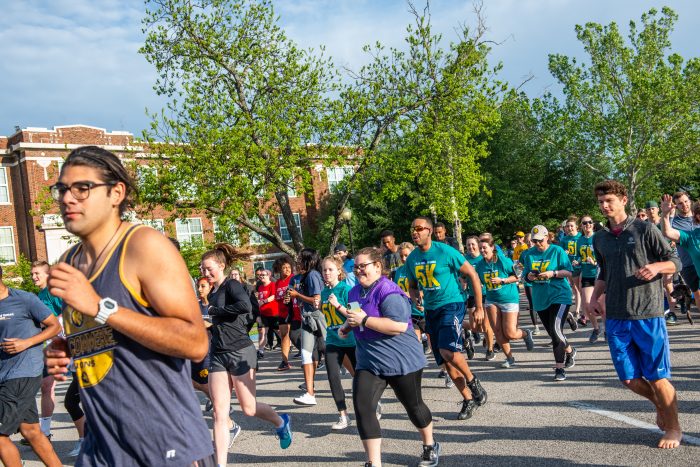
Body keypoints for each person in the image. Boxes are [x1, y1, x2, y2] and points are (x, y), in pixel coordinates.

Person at [44, 145, 214, 465]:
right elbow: (112, 336)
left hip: (165, 446)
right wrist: (69, 346)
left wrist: (99, 306)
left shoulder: (144, 246)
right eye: (62, 189)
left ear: (116, 193)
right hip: (102, 447)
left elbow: (194, 341)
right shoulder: (69, 262)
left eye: (82, 188)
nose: (67, 198)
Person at [591, 180, 682, 449]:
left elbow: (674, 261)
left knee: (656, 375)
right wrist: (594, 298)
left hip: (648, 313)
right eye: (600, 202)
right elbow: (604, 272)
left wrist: (656, 267)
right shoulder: (600, 238)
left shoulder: (645, 229)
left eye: (609, 201)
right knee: (629, 378)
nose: (604, 206)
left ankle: (674, 427)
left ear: (624, 200)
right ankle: (660, 405)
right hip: (617, 315)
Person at [342, 247, 439, 467]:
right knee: (363, 406)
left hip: (401, 360)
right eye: (355, 266)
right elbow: (355, 315)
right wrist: (346, 327)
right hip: (369, 361)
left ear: (377, 266)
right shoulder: (354, 292)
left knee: (414, 407)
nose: (358, 270)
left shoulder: (389, 292)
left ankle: (429, 444)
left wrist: (364, 321)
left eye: (362, 266)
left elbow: (397, 325)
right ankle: (374, 463)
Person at [201, 244, 292, 464]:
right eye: (202, 269)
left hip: (240, 351)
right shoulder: (211, 293)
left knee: (248, 409)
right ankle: (220, 463)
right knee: (219, 414)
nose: (205, 273)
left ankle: (281, 422)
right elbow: (220, 321)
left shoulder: (232, 285)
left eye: (208, 268)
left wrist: (216, 312)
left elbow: (245, 307)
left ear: (221, 266)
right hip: (218, 355)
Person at [405, 217, 487, 420]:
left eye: (419, 228)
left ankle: (473, 381)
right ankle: (468, 399)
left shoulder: (445, 251)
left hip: (452, 303)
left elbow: (473, 275)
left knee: (447, 350)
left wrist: (478, 307)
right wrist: (416, 299)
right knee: (446, 363)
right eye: (412, 229)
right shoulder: (412, 258)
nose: (415, 232)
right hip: (431, 310)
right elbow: (413, 284)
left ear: (429, 231)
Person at [0, 266, 62, 467]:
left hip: (23, 372)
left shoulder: (24, 299)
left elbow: (55, 326)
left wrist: (26, 342)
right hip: (4, 374)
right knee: (31, 431)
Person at [522, 225, 577, 381]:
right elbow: (525, 276)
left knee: (555, 329)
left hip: (559, 295)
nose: (537, 244)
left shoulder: (557, 251)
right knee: (554, 335)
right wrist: (530, 277)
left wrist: (553, 273)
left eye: (540, 240)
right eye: (534, 241)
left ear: (547, 237)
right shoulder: (529, 255)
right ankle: (570, 351)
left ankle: (559, 369)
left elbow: (569, 272)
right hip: (540, 298)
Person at [474, 234, 534, 369]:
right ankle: (510, 358)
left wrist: (503, 280)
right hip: (491, 300)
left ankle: (525, 333)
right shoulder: (480, 265)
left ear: (492, 247)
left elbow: (517, 276)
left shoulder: (502, 260)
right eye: (480, 248)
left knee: (510, 333)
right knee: (497, 331)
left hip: (509, 299)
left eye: (484, 248)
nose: (482, 250)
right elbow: (479, 281)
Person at [320, 256, 356, 430]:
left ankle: (373, 402)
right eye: (324, 270)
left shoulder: (347, 289)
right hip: (333, 341)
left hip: (352, 340)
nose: (327, 273)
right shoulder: (323, 293)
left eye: (330, 270)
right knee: (333, 377)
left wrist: (337, 305)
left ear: (339, 272)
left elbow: (356, 314)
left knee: (361, 377)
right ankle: (343, 415)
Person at [29, 261, 63, 442]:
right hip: (48, 344)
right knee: (46, 387)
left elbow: (67, 312)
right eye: (32, 274)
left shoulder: (54, 291)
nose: (34, 277)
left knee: (48, 387)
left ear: (47, 274)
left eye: (37, 274)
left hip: (61, 344)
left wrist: (49, 322)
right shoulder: (40, 294)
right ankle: (45, 431)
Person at [288, 248, 326, 406]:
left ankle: (356, 376)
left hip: (318, 318)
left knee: (335, 351)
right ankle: (310, 393)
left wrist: (297, 295)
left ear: (308, 261)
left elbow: (317, 301)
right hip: (307, 319)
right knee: (305, 353)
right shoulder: (303, 276)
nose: (297, 262)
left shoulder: (313, 275)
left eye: (299, 259)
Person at [661, 195, 700, 321]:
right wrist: (665, 214)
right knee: (698, 295)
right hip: (688, 264)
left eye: (686, 201)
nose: (684, 205)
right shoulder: (686, 233)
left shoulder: (695, 218)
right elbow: (667, 233)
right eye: (680, 203)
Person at [463, 236, 495, 360]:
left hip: (486, 294)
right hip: (471, 295)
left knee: (486, 325)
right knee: (475, 327)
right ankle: (470, 339)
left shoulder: (484, 257)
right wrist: (463, 281)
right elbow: (462, 276)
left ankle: (490, 349)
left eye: (473, 244)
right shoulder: (464, 260)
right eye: (468, 245)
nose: (471, 247)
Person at [576, 216, 603, 343]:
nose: (587, 225)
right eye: (584, 223)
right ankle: (596, 329)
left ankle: (608, 330)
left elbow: (605, 256)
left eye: (589, 222)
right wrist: (577, 261)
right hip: (586, 274)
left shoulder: (598, 237)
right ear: (581, 226)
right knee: (587, 304)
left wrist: (595, 262)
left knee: (602, 305)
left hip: (599, 275)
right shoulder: (579, 240)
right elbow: (579, 256)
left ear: (593, 224)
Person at [273, 257, 294, 371]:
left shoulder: (293, 279)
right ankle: (285, 361)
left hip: (294, 312)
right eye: (284, 268)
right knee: (284, 335)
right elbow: (277, 298)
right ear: (279, 270)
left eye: (289, 267)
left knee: (296, 336)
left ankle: (313, 357)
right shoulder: (277, 283)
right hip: (282, 313)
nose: (287, 269)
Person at [561, 216, 582, 326]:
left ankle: (578, 310)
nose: (569, 228)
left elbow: (582, 251)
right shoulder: (564, 239)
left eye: (571, 226)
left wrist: (578, 260)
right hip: (569, 267)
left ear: (576, 227)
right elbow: (562, 254)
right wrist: (565, 253)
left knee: (579, 288)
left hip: (580, 266)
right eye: (568, 226)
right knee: (574, 287)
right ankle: (579, 309)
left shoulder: (580, 237)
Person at [256, 268, 280, 358]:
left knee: (278, 331)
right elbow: (259, 298)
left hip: (273, 313)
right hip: (263, 313)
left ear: (269, 275)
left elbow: (273, 296)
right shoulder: (260, 287)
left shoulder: (273, 285)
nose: (261, 277)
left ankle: (287, 345)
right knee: (262, 332)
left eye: (263, 275)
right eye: (260, 275)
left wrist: (264, 301)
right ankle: (260, 351)